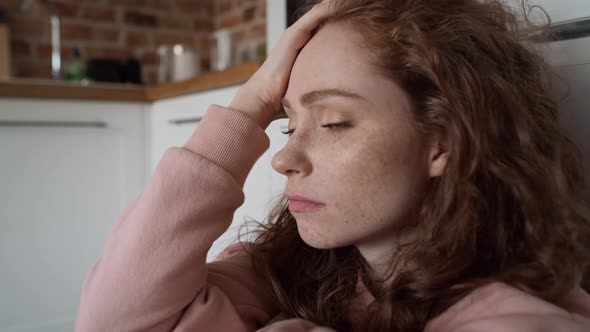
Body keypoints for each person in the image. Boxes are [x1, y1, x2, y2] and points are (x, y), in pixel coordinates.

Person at [75, 0, 590, 331]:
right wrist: (249, 104)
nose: (282, 158)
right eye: (288, 123)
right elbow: (110, 321)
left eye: (335, 122)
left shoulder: (516, 315)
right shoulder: (282, 269)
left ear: (442, 143)